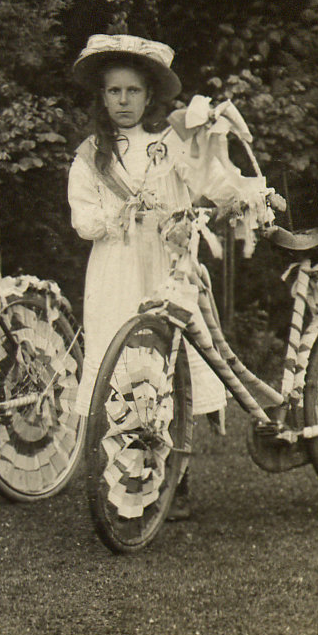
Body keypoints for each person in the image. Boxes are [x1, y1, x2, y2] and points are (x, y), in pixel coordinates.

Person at [66, 34, 225, 520]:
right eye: (113, 92)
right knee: (124, 367)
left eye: (132, 91)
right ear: (101, 96)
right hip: (115, 271)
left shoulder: (169, 144)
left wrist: (202, 206)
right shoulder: (92, 153)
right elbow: (82, 218)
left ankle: (177, 476)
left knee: (168, 361)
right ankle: (129, 478)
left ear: (150, 95)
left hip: (164, 266)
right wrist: (116, 218)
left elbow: (203, 186)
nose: (123, 101)